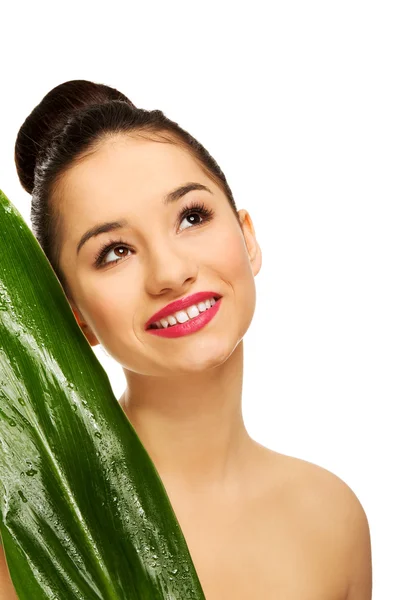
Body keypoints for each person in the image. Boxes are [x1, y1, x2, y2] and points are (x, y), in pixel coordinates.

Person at [0, 80, 372, 599]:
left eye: (191, 217)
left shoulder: (333, 517)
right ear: (76, 316)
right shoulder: (36, 531)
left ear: (248, 236)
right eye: (114, 251)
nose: (170, 273)